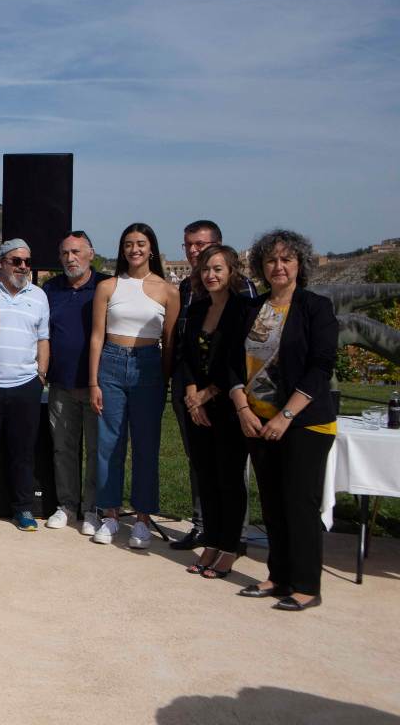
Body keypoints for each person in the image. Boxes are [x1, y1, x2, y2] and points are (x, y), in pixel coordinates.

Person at [230, 230, 337, 612]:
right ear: (261, 265)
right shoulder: (251, 309)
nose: (279, 266)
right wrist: (243, 408)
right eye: (272, 260)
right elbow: (231, 362)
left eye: (287, 260)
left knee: (299, 503)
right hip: (258, 422)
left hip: (304, 423)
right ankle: (278, 577)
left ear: (300, 265)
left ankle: (307, 585)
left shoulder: (315, 307)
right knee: (272, 503)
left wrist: (287, 415)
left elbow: (320, 365)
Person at [170, 219, 260, 551]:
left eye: (201, 245)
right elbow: (186, 341)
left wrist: (210, 390)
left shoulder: (243, 291)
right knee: (200, 460)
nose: (194, 251)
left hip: (229, 388)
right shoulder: (187, 288)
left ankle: (236, 533)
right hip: (190, 382)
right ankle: (204, 526)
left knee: (232, 466)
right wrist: (192, 390)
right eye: (188, 245)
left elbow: (243, 351)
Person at [89, 223, 179, 548]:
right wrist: (93, 381)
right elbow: (97, 336)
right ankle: (110, 514)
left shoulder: (169, 291)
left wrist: (164, 380)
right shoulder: (108, 287)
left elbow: (168, 342)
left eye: (140, 243)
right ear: (122, 249)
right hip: (111, 364)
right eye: (128, 244)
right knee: (109, 444)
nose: (134, 249)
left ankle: (142, 519)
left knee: (146, 445)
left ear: (151, 248)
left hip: (148, 366)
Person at [179, 245, 250, 578]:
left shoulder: (244, 310)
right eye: (206, 269)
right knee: (205, 476)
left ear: (231, 272)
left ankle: (229, 547)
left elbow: (239, 361)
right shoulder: (197, 310)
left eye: (218, 269)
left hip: (230, 405)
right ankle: (211, 542)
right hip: (198, 407)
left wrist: (208, 393)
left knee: (229, 479)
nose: (211, 275)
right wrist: (193, 394)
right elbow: (186, 355)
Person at [0, 239, 49, 532]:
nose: (23, 267)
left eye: (27, 262)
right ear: (1, 262)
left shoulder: (39, 296)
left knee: (23, 451)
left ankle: (23, 508)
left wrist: (40, 376)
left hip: (26, 385)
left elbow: (43, 338)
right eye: (16, 261)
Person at [43, 231, 110, 535]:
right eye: (64, 253)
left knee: (97, 451)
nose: (70, 258)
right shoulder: (50, 289)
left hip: (97, 385)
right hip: (60, 385)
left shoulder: (106, 286)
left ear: (90, 254)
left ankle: (92, 509)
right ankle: (67, 506)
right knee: (63, 449)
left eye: (76, 252)